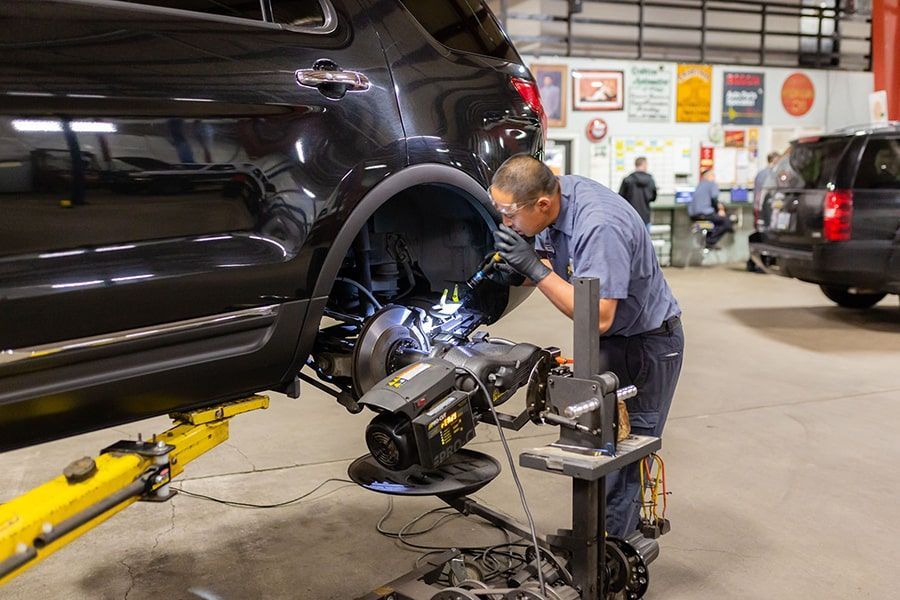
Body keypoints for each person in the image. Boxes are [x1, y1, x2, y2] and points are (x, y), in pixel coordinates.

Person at [489, 155, 684, 538]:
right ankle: (595, 542)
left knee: (622, 457)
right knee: (595, 446)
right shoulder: (555, 199)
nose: (505, 224)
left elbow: (598, 317)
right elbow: (552, 261)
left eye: (509, 215)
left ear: (542, 204)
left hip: (646, 346)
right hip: (614, 342)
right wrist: (517, 271)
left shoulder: (599, 225)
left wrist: (534, 269)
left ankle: (608, 565)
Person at [688, 169, 733, 248]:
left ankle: (709, 238)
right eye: (713, 175)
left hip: (694, 216)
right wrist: (721, 210)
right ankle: (710, 241)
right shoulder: (712, 184)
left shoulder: (699, 185)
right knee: (727, 221)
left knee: (716, 220)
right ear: (709, 176)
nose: (714, 177)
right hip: (705, 214)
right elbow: (714, 199)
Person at [617, 156, 657, 229]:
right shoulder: (650, 180)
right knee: (645, 239)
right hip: (645, 217)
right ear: (644, 164)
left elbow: (620, 198)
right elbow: (653, 198)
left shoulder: (627, 180)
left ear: (636, 165)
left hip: (630, 217)